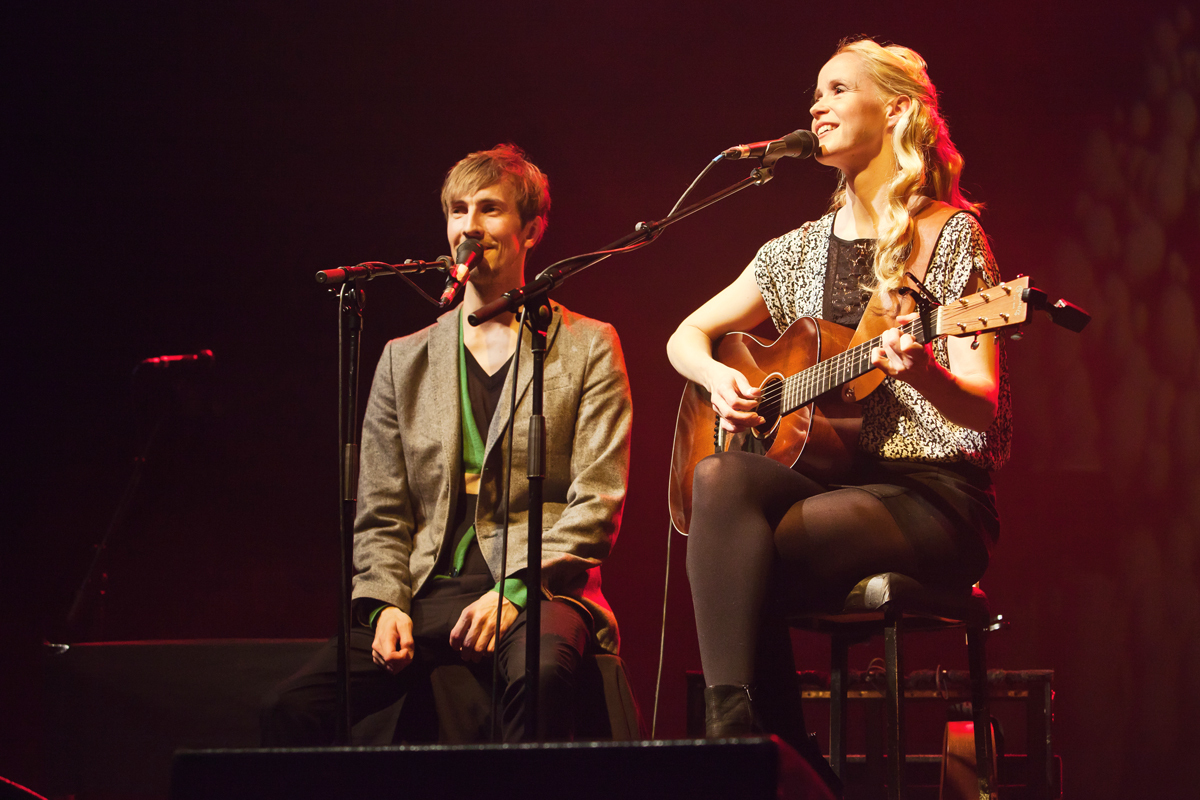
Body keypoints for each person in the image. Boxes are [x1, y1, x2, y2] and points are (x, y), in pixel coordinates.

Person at [666, 37, 1011, 762]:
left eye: (838, 90)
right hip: (836, 484)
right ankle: (751, 740)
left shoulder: (946, 235)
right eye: (815, 93)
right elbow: (685, 336)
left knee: (743, 553)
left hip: (931, 496)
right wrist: (719, 379)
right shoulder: (792, 251)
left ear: (897, 112)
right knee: (718, 479)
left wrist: (922, 374)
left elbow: (981, 407)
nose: (817, 106)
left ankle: (764, 753)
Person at [262, 144, 632, 745]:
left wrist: (514, 591)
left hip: (538, 585)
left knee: (540, 675)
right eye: (459, 210)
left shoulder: (587, 345)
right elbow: (381, 511)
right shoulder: (403, 359)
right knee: (291, 707)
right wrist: (384, 604)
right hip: (426, 589)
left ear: (531, 229)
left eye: (490, 209)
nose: (470, 226)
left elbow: (598, 501)